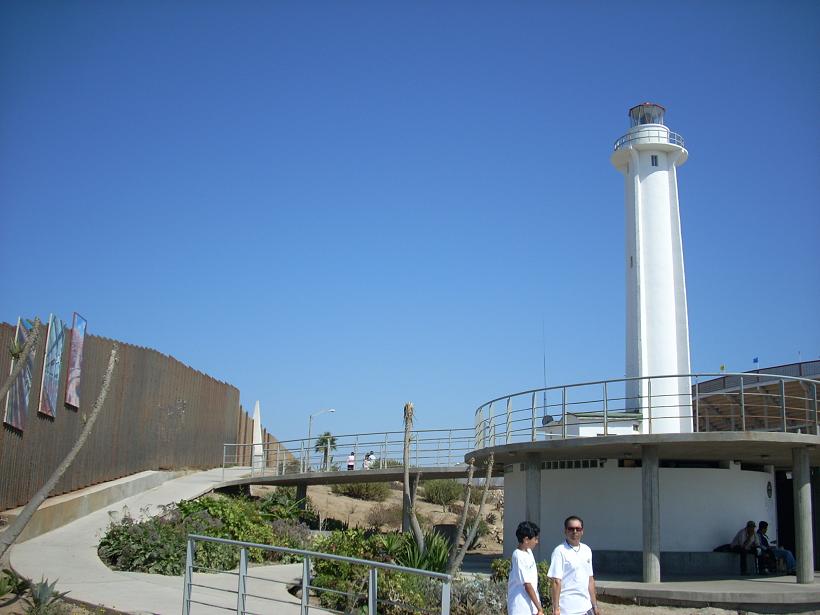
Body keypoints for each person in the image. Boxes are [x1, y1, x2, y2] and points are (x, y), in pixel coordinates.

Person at [548, 516, 600, 615]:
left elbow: (590, 580)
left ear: (582, 531)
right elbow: (556, 582)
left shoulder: (587, 550)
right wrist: (556, 609)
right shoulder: (559, 551)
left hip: (586, 608)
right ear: (565, 531)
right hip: (567, 610)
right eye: (571, 529)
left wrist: (595, 606)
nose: (574, 532)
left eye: (578, 529)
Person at [508, 521, 544, 615]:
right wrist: (540, 608)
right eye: (535, 539)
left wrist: (537, 606)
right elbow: (527, 585)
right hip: (520, 607)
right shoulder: (518, 556)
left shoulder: (529, 552)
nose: (537, 542)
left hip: (531, 606)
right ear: (526, 540)